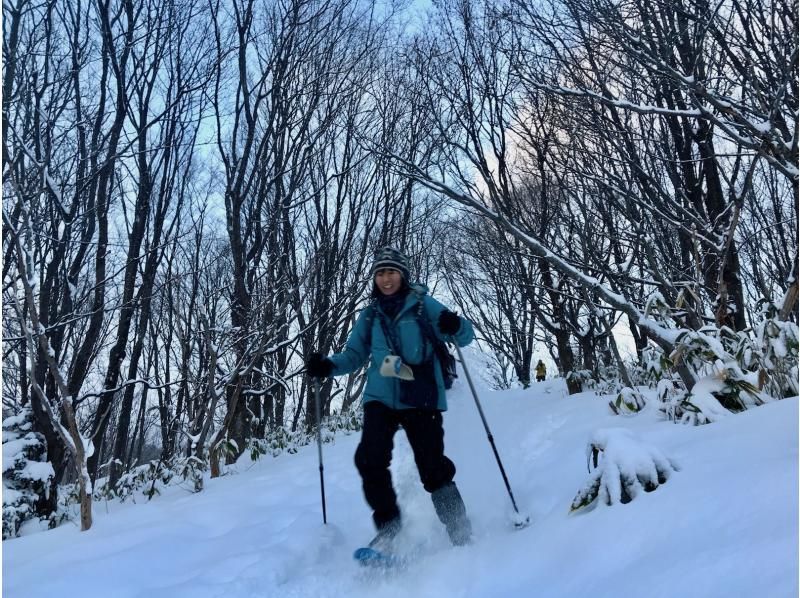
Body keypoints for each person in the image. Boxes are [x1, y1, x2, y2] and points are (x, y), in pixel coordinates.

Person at [305, 246, 475, 550]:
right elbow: (354, 354)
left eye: (391, 272)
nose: (386, 279)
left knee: (433, 467)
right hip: (380, 397)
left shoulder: (423, 305)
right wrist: (328, 366)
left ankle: (460, 530)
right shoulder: (370, 315)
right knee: (369, 459)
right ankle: (389, 528)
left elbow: (463, 336)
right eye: (380, 273)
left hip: (421, 396)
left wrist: (455, 324)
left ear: (403, 275)